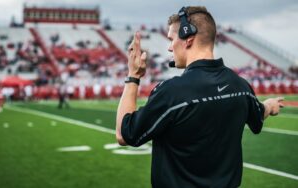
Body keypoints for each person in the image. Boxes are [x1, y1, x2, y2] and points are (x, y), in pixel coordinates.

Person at [116, 6, 284, 188]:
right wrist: (270, 105)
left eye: (172, 39)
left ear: (188, 38)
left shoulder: (172, 92)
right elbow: (259, 114)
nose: (169, 47)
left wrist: (133, 76)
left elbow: (125, 135)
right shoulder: (241, 86)